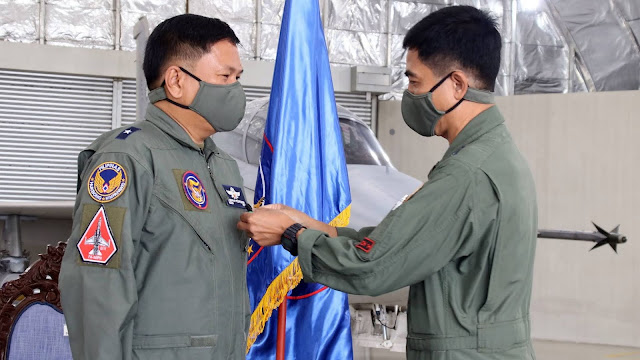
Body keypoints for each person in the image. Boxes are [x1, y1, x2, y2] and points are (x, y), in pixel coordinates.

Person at [238, 6, 537, 360]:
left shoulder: (466, 174)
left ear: (456, 84)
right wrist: (310, 225)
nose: (409, 95)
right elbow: (397, 241)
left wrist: (290, 235)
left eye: (415, 82)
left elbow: (372, 266)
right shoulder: (497, 156)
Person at [60, 14, 250, 360]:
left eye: (237, 78)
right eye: (225, 77)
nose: (236, 90)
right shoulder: (126, 157)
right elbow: (96, 285)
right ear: (176, 81)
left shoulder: (223, 165)